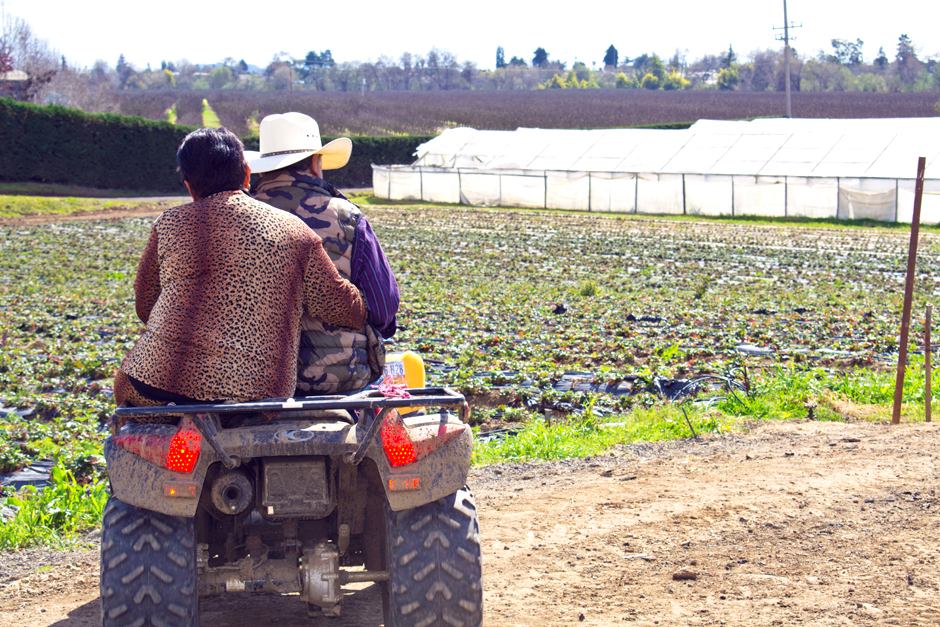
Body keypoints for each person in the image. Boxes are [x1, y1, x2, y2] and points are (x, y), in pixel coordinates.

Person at [114, 127, 367, 407]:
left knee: (127, 400)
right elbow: (341, 307)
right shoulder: (295, 231)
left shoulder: (169, 223)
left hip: (158, 384)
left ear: (188, 185)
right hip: (257, 395)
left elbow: (145, 305)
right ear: (247, 174)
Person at [247, 112, 399, 395]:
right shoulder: (348, 217)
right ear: (316, 164)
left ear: (261, 168)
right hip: (340, 380)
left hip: (255, 380)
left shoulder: (239, 216)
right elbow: (383, 307)